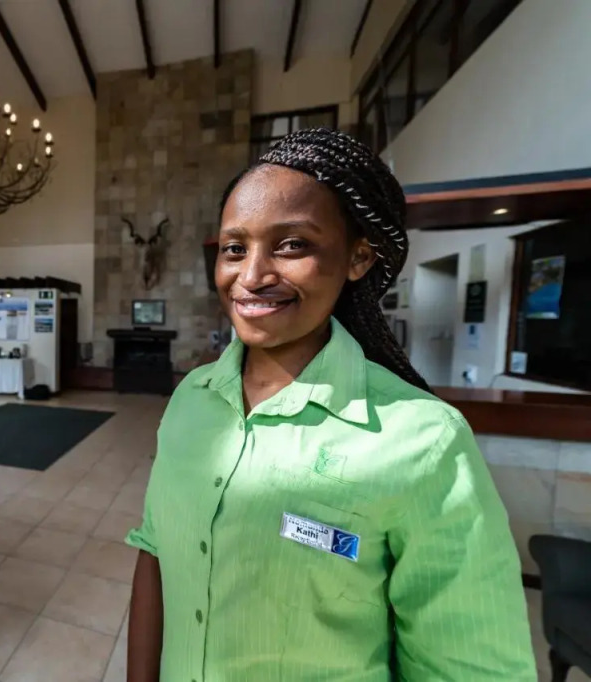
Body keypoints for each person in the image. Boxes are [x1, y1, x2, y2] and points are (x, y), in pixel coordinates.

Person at [125, 128, 536, 681]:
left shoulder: (424, 441)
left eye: (292, 244)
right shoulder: (190, 401)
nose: (251, 276)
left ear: (358, 257)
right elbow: (155, 549)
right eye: (234, 248)